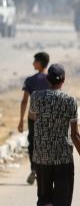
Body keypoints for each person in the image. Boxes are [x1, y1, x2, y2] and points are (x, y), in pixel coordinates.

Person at [30, 64, 80, 206]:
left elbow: (32, 116)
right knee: (62, 201)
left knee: (44, 197)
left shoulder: (36, 97)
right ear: (63, 80)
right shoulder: (70, 101)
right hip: (63, 159)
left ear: (48, 79)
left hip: (42, 158)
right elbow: (75, 134)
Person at [18, 52, 50, 186]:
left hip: (33, 117)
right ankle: (44, 170)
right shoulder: (51, 79)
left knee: (33, 143)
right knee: (45, 143)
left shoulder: (30, 80)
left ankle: (34, 169)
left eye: (35, 61)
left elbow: (25, 101)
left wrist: (21, 120)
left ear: (40, 63)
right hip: (48, 118)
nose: (33, 64)